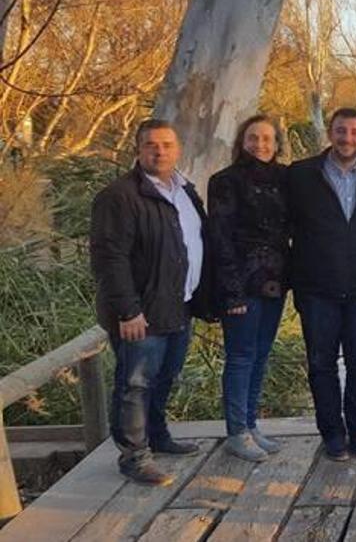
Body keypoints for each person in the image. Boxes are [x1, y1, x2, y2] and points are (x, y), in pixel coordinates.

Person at [90, 119, 214, 485]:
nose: (160, 151)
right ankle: (134, 456)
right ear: (138, 150)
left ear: (178, 149)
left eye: (166, 144)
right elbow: (109, 258)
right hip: (140, 312)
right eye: (151, 145)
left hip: (178, 304)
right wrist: (128, 310)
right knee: (135, 383)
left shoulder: (185, 190)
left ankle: (158, 436)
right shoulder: (119, 196)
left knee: (165, 376)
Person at [286, 108, 356, 462]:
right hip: (316, 288)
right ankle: (331, 431)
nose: (348, 138)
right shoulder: (300, 175)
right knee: (321, 362)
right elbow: (285, 227)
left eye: (355, 132)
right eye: (341, 131)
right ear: (330, 133)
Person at [207, 115, 290, 462]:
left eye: (267, 139)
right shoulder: (225, 181)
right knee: (240, 356)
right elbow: (220, 238)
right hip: (241, 281)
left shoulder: (286, 179)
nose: (261, 145)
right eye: (254, 138)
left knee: (261, 353)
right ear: (243, 141)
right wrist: (232, 292)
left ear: (276, 143)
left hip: (274, 280)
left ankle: (252, 424)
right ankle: (236, 431)